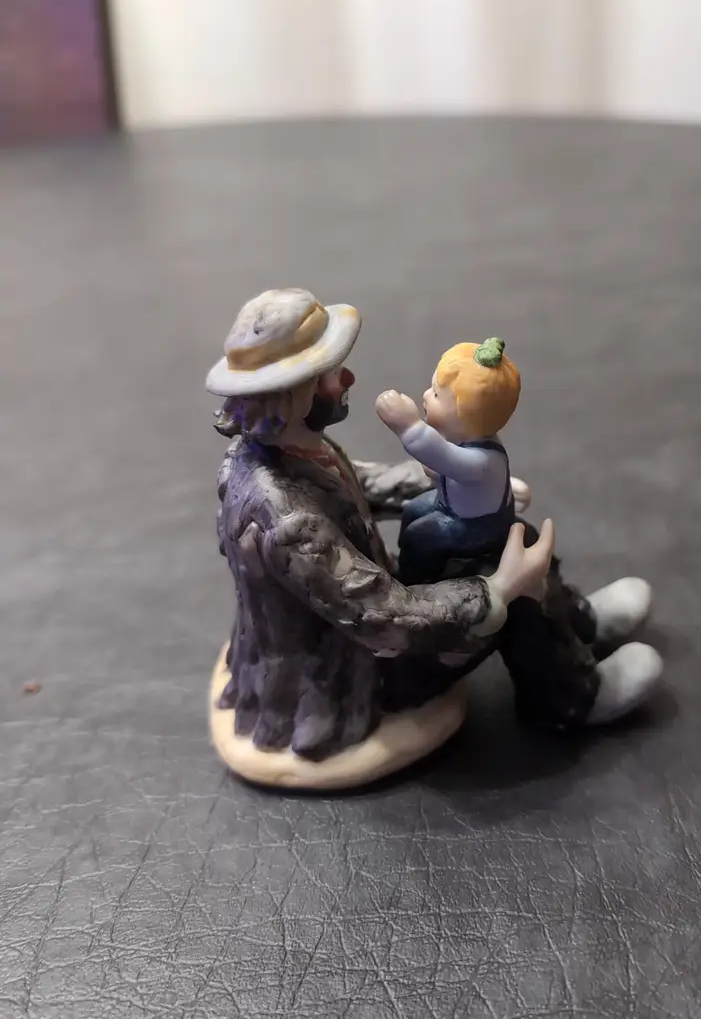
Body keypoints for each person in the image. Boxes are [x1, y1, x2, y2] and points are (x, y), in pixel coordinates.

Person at [205, 288, 662, 786]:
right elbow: (380, 616)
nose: (347, 379)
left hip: (359, 624)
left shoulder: (284, 449)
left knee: (510, 538)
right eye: (328, 375)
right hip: (351, 674)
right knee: (508, 583)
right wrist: (499, 589)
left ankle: (581, 624)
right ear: (293, 395)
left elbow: (356, 482)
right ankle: (573, 698)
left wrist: (462, 485)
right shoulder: (284, 516)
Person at [376, 336, 522, 585]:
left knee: (420, 536)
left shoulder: (482, 461)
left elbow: (442, 455)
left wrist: (408, 427)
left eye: (435, 394)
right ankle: (405, 558)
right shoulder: (467, 438)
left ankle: (415, 579)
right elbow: (444, 464)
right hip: (450, 506)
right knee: (412, 509)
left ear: (463, 415)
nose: (425, 395)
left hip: (476, 525)